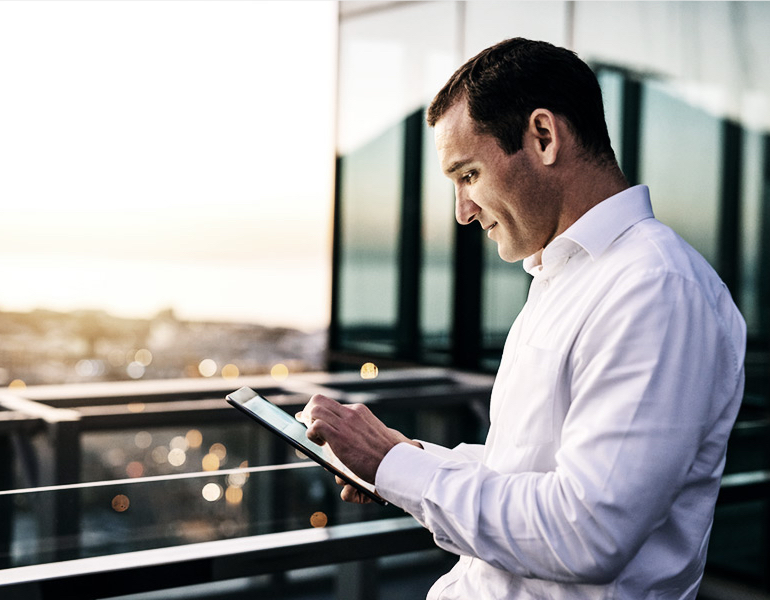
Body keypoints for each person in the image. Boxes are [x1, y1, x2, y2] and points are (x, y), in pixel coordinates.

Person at [301, 37, 746, 599]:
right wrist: (406, 460)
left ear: (543, 136)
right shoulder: (566, 279)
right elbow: (529, 472)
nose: (462, 212)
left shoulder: (655, 288)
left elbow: (588, 530)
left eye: (468, 176)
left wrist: (394, 467)